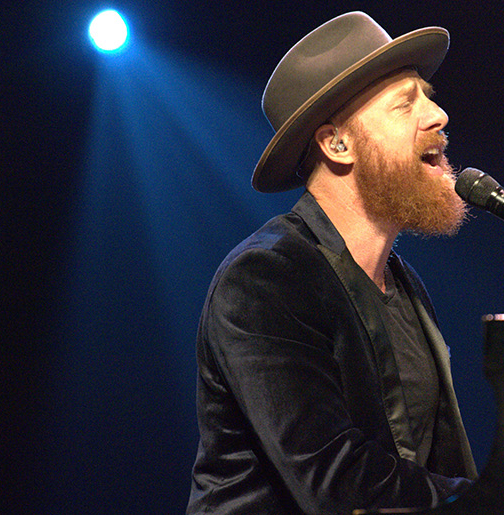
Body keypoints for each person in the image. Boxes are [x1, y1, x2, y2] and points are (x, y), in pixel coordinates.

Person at [185, 12, 477, 515]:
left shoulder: (404, 285)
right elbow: (335, 480)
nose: (437, 115)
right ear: (337, 144)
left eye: (428, 96)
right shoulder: (265, 279)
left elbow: (432, 460)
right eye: (406, 104)